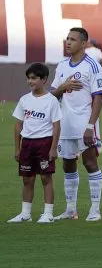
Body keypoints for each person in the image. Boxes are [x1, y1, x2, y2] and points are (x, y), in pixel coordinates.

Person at [51, 27, 102, 221]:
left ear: (84, 44)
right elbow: (52, 95)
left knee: (90, 162)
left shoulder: (92, 66)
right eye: (67, 39)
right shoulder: (62, 65)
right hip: (65, 123)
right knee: (67, 164)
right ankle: (71, 209)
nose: (68, 42)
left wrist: (91, 126)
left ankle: (95, 210)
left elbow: (98, 98)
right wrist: (63, 87)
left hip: (84, 122)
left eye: (73, 39)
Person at [9, 63, 61, 223]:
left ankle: (48, 213)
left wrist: (53, 148)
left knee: (46, 178)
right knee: (27, 179)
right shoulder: (24, 100)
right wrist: (17, 148)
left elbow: (56, 125)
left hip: (44, 143)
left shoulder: (51, 100)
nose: (30, 82)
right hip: (28, 144)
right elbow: (18, 124)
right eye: (28, 78)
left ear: (44, 79)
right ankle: (25, 213)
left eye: (34, 78)